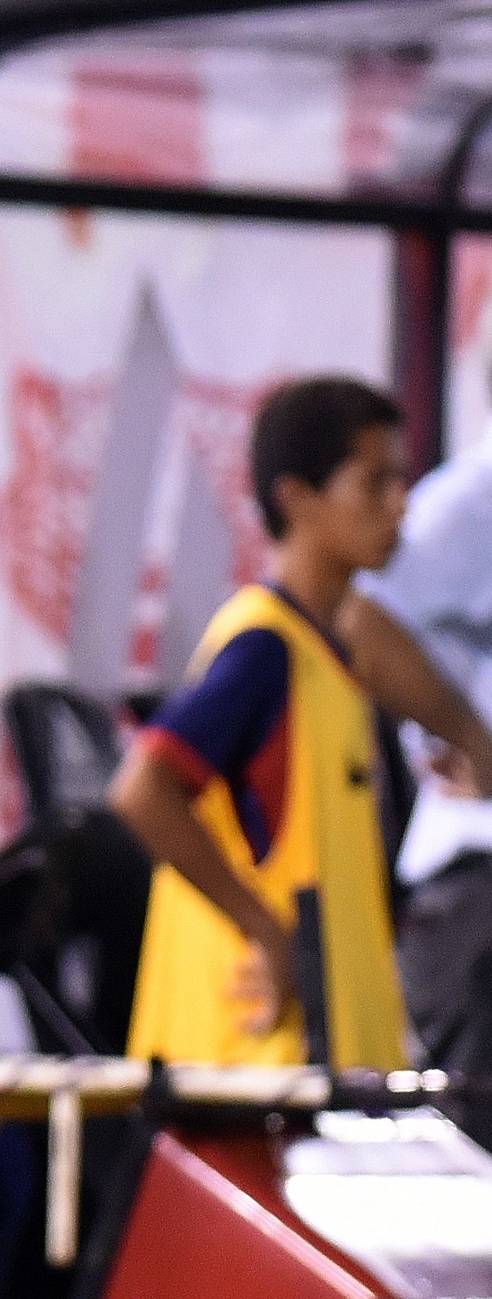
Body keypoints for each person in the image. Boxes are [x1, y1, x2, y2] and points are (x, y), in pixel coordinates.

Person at [110, 375, 489, 1069]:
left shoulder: (329, 659)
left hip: (324, 1071)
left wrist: (472, 740)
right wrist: (265, 931)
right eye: (374, 482)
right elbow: (143, 789)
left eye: (401, 478)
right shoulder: (265, 650)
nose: (401, 503)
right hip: (249, 1073)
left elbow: (376, 636)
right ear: (298, 499)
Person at [345, 426, 492, 1141]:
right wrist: (472, 736)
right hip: (479, 890)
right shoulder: (477, 493)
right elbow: (362, 618)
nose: (395, 506)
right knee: (472, 1170)